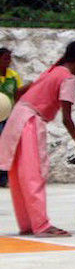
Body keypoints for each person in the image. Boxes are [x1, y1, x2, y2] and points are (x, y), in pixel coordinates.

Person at [0, 40, 75, 236]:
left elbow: (21, 92)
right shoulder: (68, 79)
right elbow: (67, 118)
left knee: (19, 176)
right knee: (33, 174)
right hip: (30, 121)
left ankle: (28, 224)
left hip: (16, 117)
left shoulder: (53, 70)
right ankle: (41, 225)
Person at [0, 47, 24, 188]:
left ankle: (3, 177)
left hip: (9, 115)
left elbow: (17, 94)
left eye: (9, 59)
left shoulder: (13, 76)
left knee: (7, 146)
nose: (8, 61)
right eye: (5, 58)